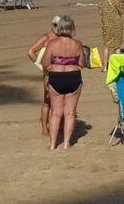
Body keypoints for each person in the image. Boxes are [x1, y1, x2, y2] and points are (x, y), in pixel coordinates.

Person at [41, 15, 85, 150]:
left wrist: (55, 64)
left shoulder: (52, 43)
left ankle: (53, 144)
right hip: (73, 77)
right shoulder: (77, 44)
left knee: (55, 112)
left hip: (57, 77)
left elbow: (45, 63)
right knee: (70, 113)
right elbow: (82, 64)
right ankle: (66, 144)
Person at [27, 15, 60, 135]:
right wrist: (42, 67)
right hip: (49, 73)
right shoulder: (46, 37)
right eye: (56, 25)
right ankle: (44, 128)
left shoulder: (62, 37)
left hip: (60, 71)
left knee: (57, 101)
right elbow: (31, 52)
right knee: (47, 100)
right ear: (53, 25)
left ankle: (54, 125)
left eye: (60, 25)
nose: (58, 28)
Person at [97, 0, 124, 71]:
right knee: (117, 46)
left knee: (106, 46)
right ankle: (119, 67)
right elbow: (121, 11)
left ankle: (105, 67)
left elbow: (100, 12)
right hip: (117, 23)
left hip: (107, 24)